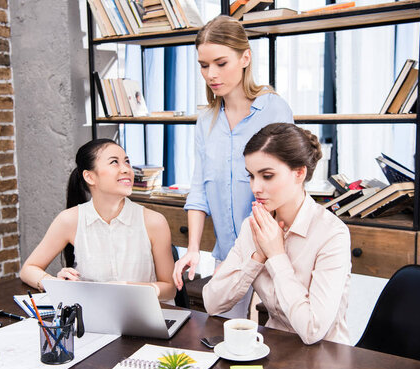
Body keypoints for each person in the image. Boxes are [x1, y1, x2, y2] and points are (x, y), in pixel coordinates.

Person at [173, 15, 294, 318]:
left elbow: (290, 184)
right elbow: (199, 188)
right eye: (203, 65)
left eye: (220, 63)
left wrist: (268, 250)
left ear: (245, 58)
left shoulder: (273, 109)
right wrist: (192, 249)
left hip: (274, 248)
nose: (211, 74)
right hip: (228, 252)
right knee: (222, 334)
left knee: (283, 341)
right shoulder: (206, 122)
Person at [202, 123, 352, 345]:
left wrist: (276, 255)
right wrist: (257, 257)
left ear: (299, 173)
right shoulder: (253, 226)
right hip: (273, 350)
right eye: (251, 176)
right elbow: (212, 303)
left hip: (325, 356)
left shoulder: (332, 234)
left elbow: (312, 330)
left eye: (268, 176)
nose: (256, 187)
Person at [20, 139, 176, 302]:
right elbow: (29, 269)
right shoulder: (69, 220)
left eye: (127, 161)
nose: (126, 169)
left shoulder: (154, 222)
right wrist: (56, 283)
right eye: (114, 162)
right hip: (95, 316)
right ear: (89, 177)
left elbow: (169, 289)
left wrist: (129, 288)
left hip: (147, 316)